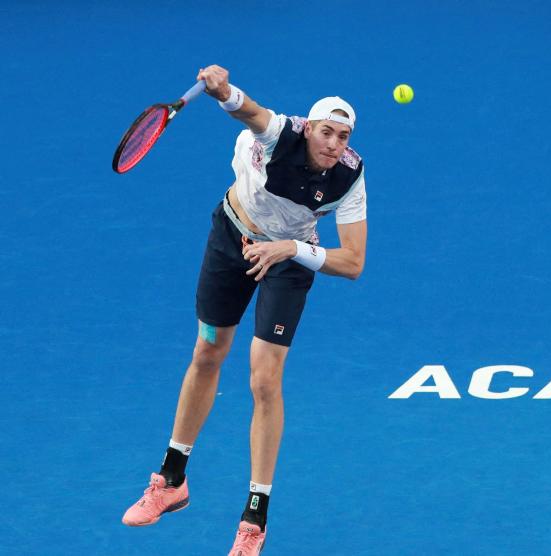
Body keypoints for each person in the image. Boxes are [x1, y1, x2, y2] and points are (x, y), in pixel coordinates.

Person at [121, 64, 367, 556]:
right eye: (326, 132)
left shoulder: (349, 176)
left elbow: (353, 262)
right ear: (309, 127)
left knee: (264, 379)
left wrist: (292, 250)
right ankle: (171, 480)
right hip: (233, 236)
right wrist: (222, 90)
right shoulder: (281, 134)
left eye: (343, 136)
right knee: (208, 350)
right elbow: (250, 111)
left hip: (289, 256)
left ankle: (255, 518)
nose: (334, 144)